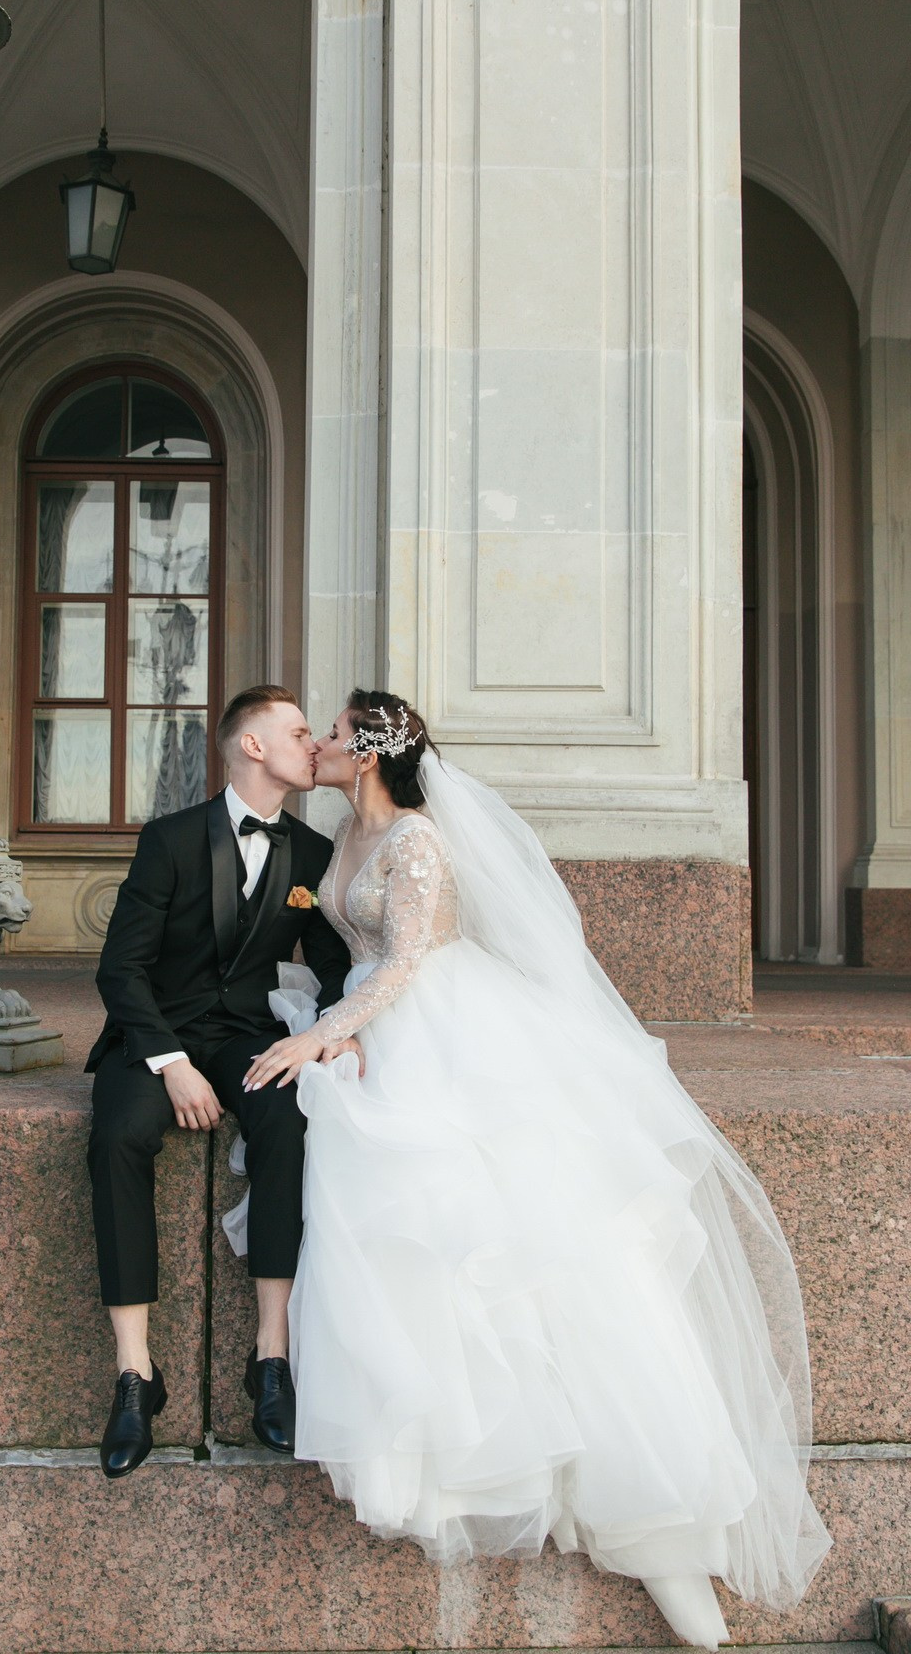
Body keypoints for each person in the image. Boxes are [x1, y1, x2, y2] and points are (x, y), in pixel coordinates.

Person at [243, 688, 831, 1651]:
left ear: (377, 751)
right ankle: (441, 1445)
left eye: (340, 733)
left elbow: (405, 967)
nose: (326, 744)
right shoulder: (341, 839)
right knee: (385, 1206)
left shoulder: (418, 843)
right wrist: (319, 1024)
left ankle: (650, 1515)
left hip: (437, 1028)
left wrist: (324, 1036)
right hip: (371, 1028)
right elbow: (345, 953)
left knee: (514, 1242)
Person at [86, 684, 351, 1477]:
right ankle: (135, 1373)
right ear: (253, 747)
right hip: (154, 1037)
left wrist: (325, 1037)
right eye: (300, 732)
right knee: (118, 1138)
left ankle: (271, 1355)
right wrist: (170, 1065)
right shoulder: (169, 839)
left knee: (287, 1122)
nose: (315, 745)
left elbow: (336, 969)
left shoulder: (312, 856)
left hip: (248, 1038)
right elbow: (120, 968)